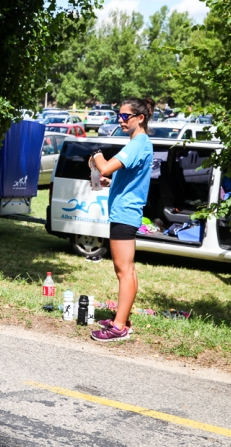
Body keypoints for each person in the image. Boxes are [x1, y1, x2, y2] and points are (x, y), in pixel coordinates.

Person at [90, 97, 154, 342]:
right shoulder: (140, 143)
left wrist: (95, 154)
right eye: (119, 115)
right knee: (129, 271)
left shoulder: (138, 143)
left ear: (140, 118)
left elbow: (105, 167)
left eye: (125, 116)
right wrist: (109, 182)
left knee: (123, 271)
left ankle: (118, 327)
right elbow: (122, 176)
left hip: (124, 213)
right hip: (126, 210)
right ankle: (123, 318)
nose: (121, 120)